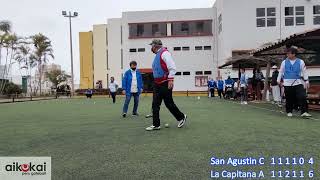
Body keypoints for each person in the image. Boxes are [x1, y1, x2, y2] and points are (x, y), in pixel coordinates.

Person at [146, 39, 187, 131]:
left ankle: (181, 117)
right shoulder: (157, 55)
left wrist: (170, 80)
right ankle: (156, 125)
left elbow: (172, 68)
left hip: (165, 83)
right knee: (155, 104)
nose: (151, 48)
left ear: (155, 46)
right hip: (157, 83)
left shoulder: (165, 53)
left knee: (168, 103)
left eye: (151, 46)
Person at [277, 47, 312, 118]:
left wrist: (306, 80)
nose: (287, 55)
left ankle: (304, 112)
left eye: (289, 53)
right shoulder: (284, 62)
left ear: (294, 54)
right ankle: (289, 111)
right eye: (287, 53)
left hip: (298, 82)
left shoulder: (301, 61)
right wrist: (278, 80)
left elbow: (304, 71)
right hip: (287, 83)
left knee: (302, 96)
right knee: (289, 98)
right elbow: (281, 71)